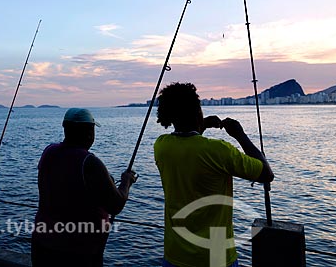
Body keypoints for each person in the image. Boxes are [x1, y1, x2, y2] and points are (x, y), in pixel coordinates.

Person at [153, 82, 274, 267]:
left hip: (175, 253)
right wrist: (240, 135)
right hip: (215, 254)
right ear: (197, 111)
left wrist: (201, 126)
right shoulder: (219, 150)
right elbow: (266, 174)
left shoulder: (161, 146)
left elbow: (190, 145)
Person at [31, 108, 137, 267]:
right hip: (78, 252)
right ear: (89, 132)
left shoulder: (49, 151)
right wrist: (126, 181)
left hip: (42, 244)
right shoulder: (89, 162)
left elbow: (69, 187)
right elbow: (116, 205)